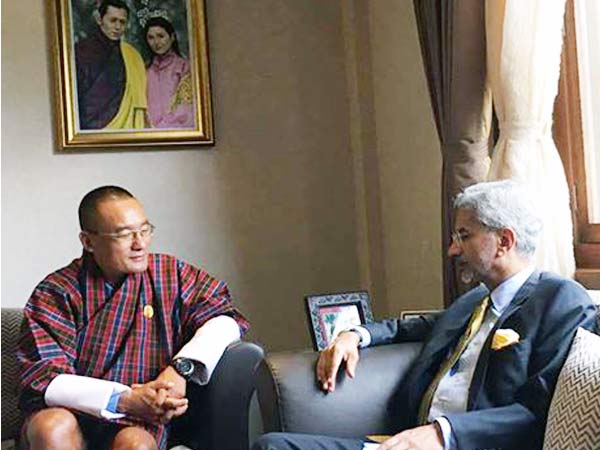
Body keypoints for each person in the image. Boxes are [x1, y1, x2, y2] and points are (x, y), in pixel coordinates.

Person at [253, 180, 596, 450]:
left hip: (468, 445)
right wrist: (352, 335)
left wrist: (442, 434)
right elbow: (409, 327)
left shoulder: (560, 301)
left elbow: (538, 410)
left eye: (464, 235)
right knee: (273, 446)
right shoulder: (475, 302)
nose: (452, 249)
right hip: (403, 443)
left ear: (504, 241)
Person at [18, 186, 249, 450]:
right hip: (70, 411)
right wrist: (124, 399)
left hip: (140, 416)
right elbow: (45, 377)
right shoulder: (57, 291)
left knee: (136, 444)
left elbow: (226, 319)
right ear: (88, 241)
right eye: (124, 234)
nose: (139, 244)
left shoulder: (170, 274)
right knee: (53, 427)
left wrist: (180, 369)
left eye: (144, 230)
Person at [75, 0, 146, 129]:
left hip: (125, 128)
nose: (118, 27)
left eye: (122, 22)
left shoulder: (131, 55)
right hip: (90, 128)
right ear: (99, 19)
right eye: (113, 21)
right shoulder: (82, 51)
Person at [143, 15, 195, 129]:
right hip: (150, 135)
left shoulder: (185, 67)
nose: (156, 42)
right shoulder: (146, 71)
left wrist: (164, 127)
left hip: (178, 132)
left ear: (172, 37)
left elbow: (186, 107)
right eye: (151, 37)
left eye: (161, 36)